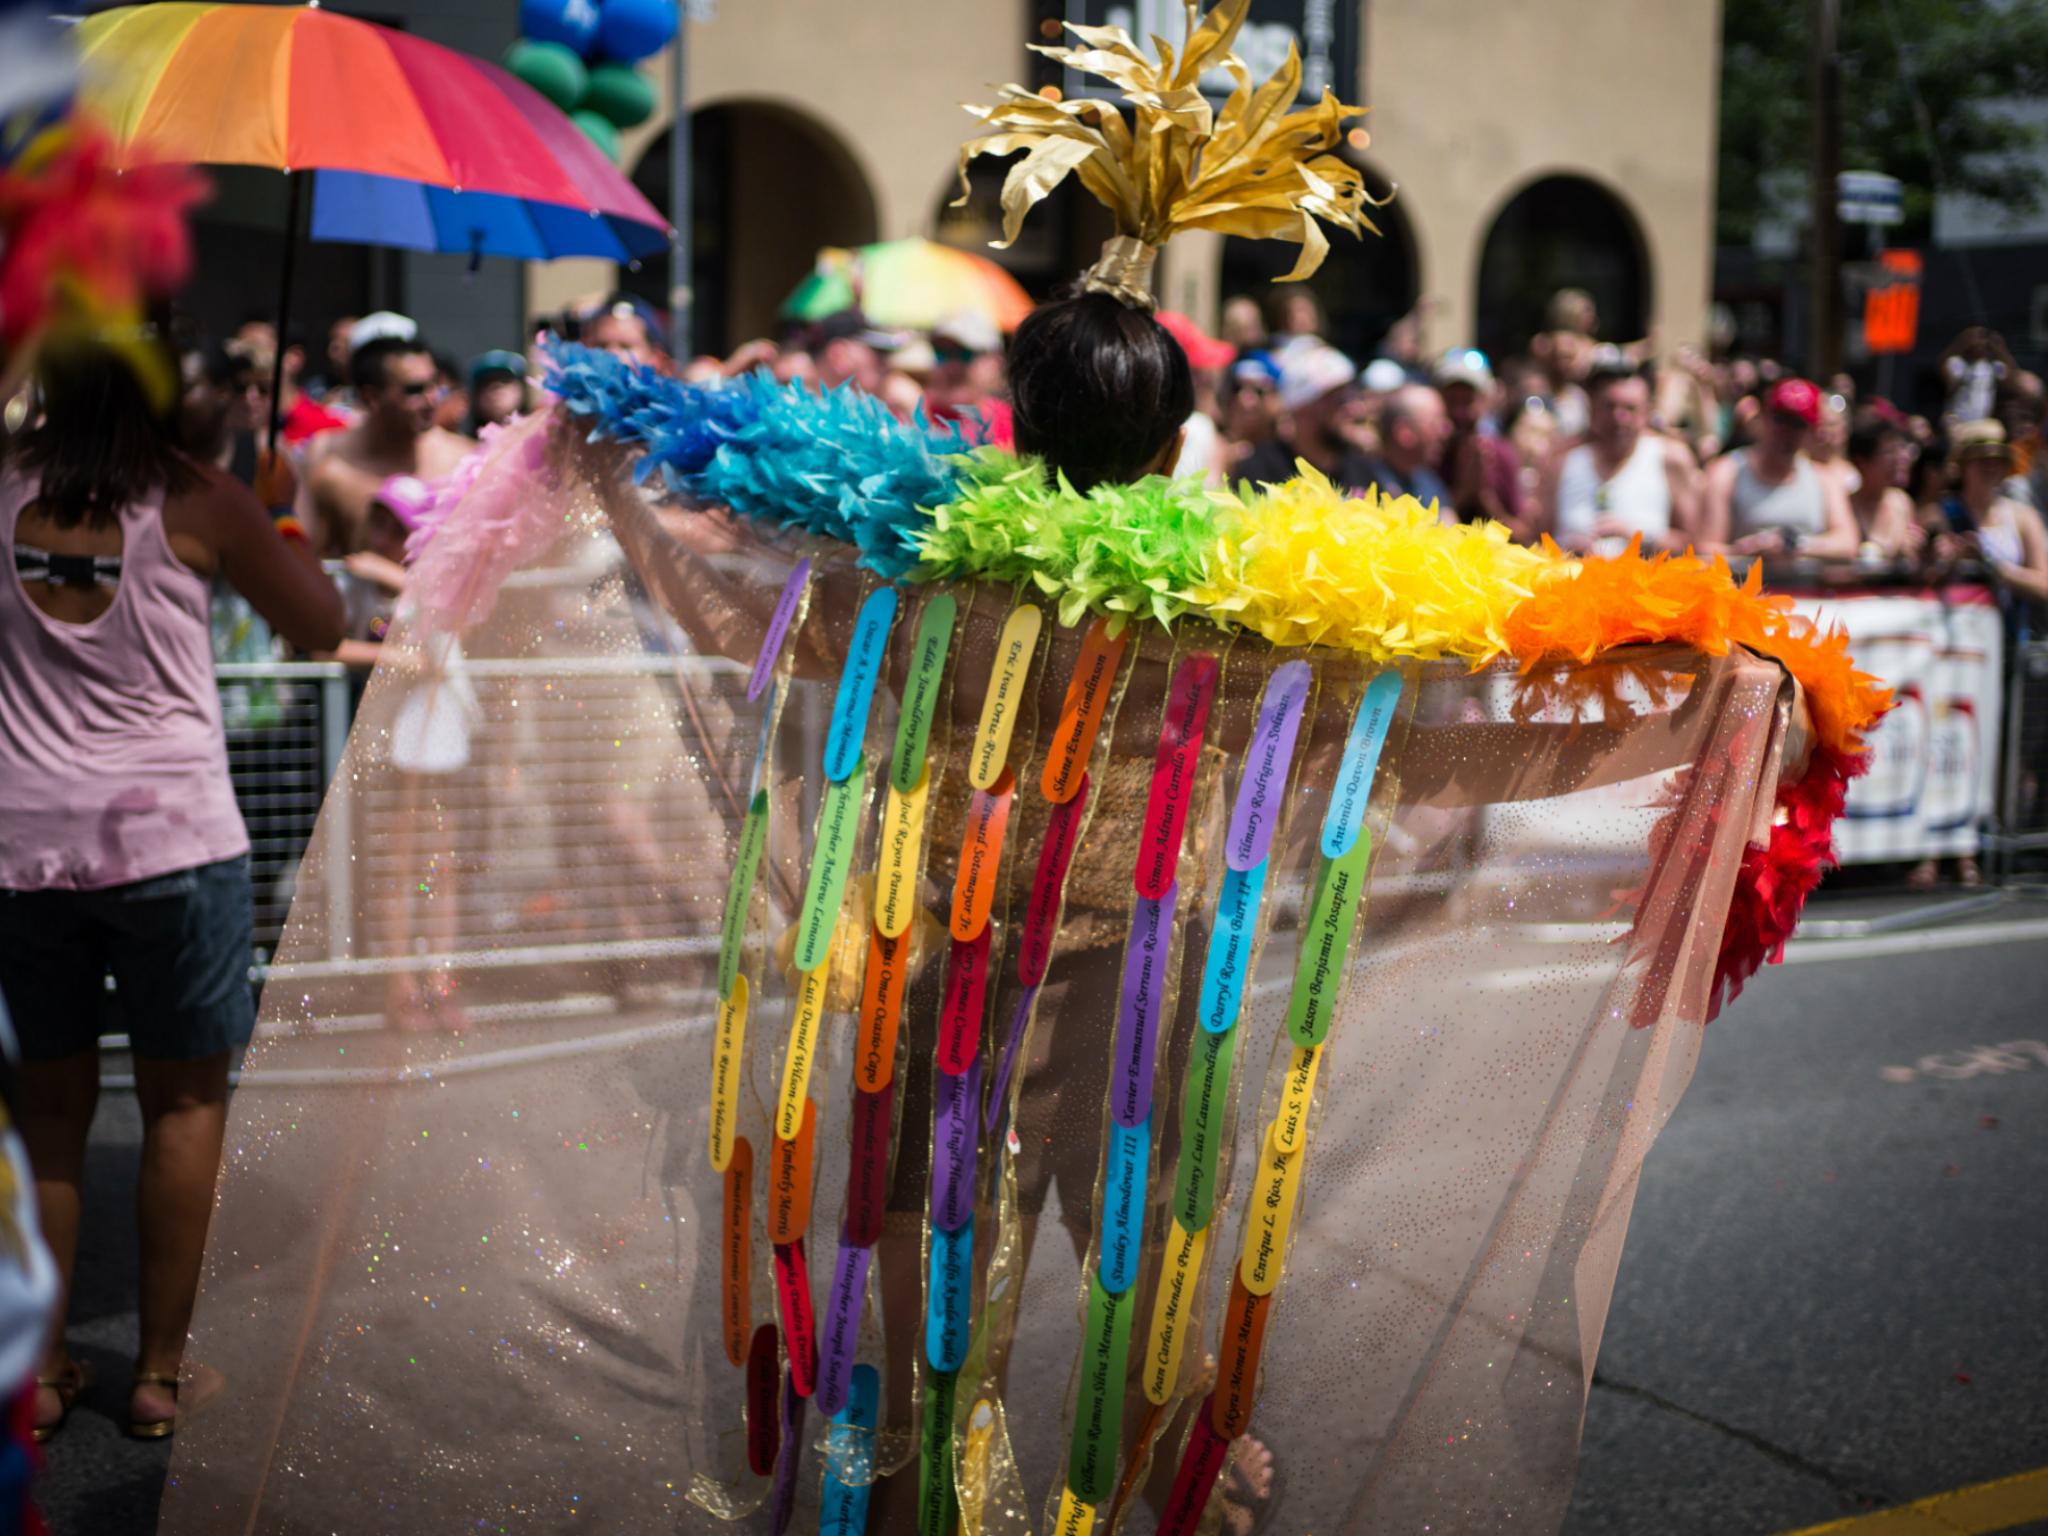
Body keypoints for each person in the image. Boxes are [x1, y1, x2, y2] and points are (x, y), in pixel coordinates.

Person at [0, 338, 342, 1443]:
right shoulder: (201, 497)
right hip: (174, 847)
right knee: (184, 1102)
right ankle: (161, 1372)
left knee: (46, 1110)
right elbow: (322, 624)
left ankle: (40, 1371)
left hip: (18, 841)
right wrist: (274, 519)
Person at [302, 334, 475, 557]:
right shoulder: (332, 467)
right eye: (415, 390)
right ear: (371, 397)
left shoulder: (464, 458)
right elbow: (314, 560)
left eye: (434, 385)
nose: (432, 399)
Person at [1540, 354, 1702, 554]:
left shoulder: (1670, 458)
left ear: (1647, 411)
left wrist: (1638, 538)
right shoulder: (1562, 461)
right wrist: (1565, 547)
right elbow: (1535, 539)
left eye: (1630, 408)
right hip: (1570, 580)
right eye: (1609, 407)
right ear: (1593, 408)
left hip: (1646, 582)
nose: (1619, 418)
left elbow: (1694, 544)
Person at [1701, 377, 1858, 558]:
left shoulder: (1824, 480)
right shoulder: (1726, 472)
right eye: (1781, 419)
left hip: (1804, 585)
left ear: (1811, 430)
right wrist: (1747, 551)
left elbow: (1847, 543)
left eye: (1797, 423)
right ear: (1765, 417)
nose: (1786, 431)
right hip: (1742, 582)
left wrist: (1796, 545)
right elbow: (1705, 547)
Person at [1433, 349, 1527, 536]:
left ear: (1485, 400)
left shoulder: (1501, 453)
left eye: (1468, 401)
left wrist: (1484, 498)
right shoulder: (1429, 453)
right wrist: (1463, 492)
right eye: (1452, 400)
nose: (1459, 412)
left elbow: (1522, 535)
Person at [1153, 310, 1235, 484]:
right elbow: (1200, 502)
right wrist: (1220, 466)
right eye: (1198, 371)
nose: (1209, 378)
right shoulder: (1198, 427)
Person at [1844, 411, 1926, 561]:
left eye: (1901, 449)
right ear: (1861, 461)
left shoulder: (1901, 503)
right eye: (1889, 452)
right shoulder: (1846, 506)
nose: (1899, 459)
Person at [926, 309, 1013, 448]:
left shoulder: (1013, 425)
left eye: (965, 354)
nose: (951, 366)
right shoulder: (907, 414)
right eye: (941, 353)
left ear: (995, 363)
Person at [1359, 382, 1452, 511]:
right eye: (1436, 423)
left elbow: (1449, 522)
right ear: (1405, 433)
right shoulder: (1359, 479)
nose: (1447, 431)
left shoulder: (1427, 480)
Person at [466, 350, 527, 436]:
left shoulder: (544, 434)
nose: (496, 388)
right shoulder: (462, 445)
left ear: (520, 388)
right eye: (486, 382)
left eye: (504, 379)